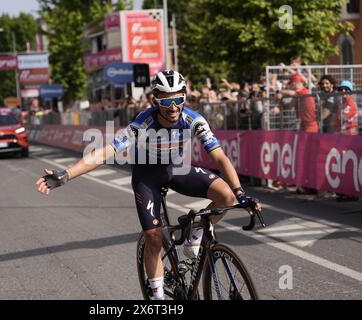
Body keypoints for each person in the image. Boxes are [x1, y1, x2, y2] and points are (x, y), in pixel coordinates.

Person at [35, 70, 261, 300]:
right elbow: (105, 153)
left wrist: (241, 192)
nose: (173, 107)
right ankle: (157, 297)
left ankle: (196, 232)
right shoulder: (143, 123)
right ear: (155, 100)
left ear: (185, 97)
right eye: (166, 100)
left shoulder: (194, 120)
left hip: (176, 169)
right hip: (147, 176)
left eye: (178, 99)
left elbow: (219, 157)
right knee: (154, 238)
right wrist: (66, 175)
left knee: (226, 196)